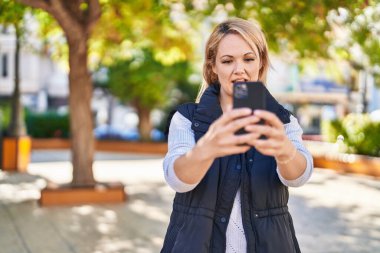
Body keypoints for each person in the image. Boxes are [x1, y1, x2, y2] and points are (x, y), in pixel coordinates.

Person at [161, 17, 313, 253]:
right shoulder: (187, 118)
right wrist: (207, 148)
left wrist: (285, 152)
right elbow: (176, 180)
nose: (239, 69)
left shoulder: (282, 120)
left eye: (249, 59)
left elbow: (298, 177)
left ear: (260, 63)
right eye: (227, 60)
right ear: (213, 66)